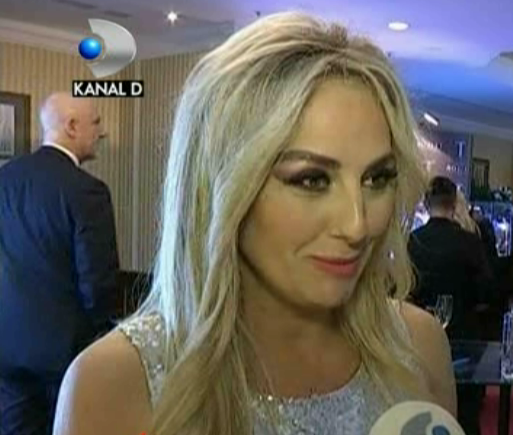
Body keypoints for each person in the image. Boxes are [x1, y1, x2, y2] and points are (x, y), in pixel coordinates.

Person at [53, 12, 456, 435]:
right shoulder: (113, 383)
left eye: (377, 178)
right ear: (222, 185)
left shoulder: (418, 348)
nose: (357, 225)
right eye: (311, 180)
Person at [0, 92, 120, 434]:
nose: (102, 131)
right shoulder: (88, 191)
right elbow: (98, 285)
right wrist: (106, 336)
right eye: (96, 122)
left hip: (7, 347)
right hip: (66, 355)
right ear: (71, 126)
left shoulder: (5, 179)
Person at [409, 176, 493, 435]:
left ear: (426, 203)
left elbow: (403, 289)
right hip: (466, 341)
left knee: (423, 413)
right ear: (454, 203)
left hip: (420, 341)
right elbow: (486, 291)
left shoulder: (413, 242)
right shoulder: (470, 242)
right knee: (465, 417)